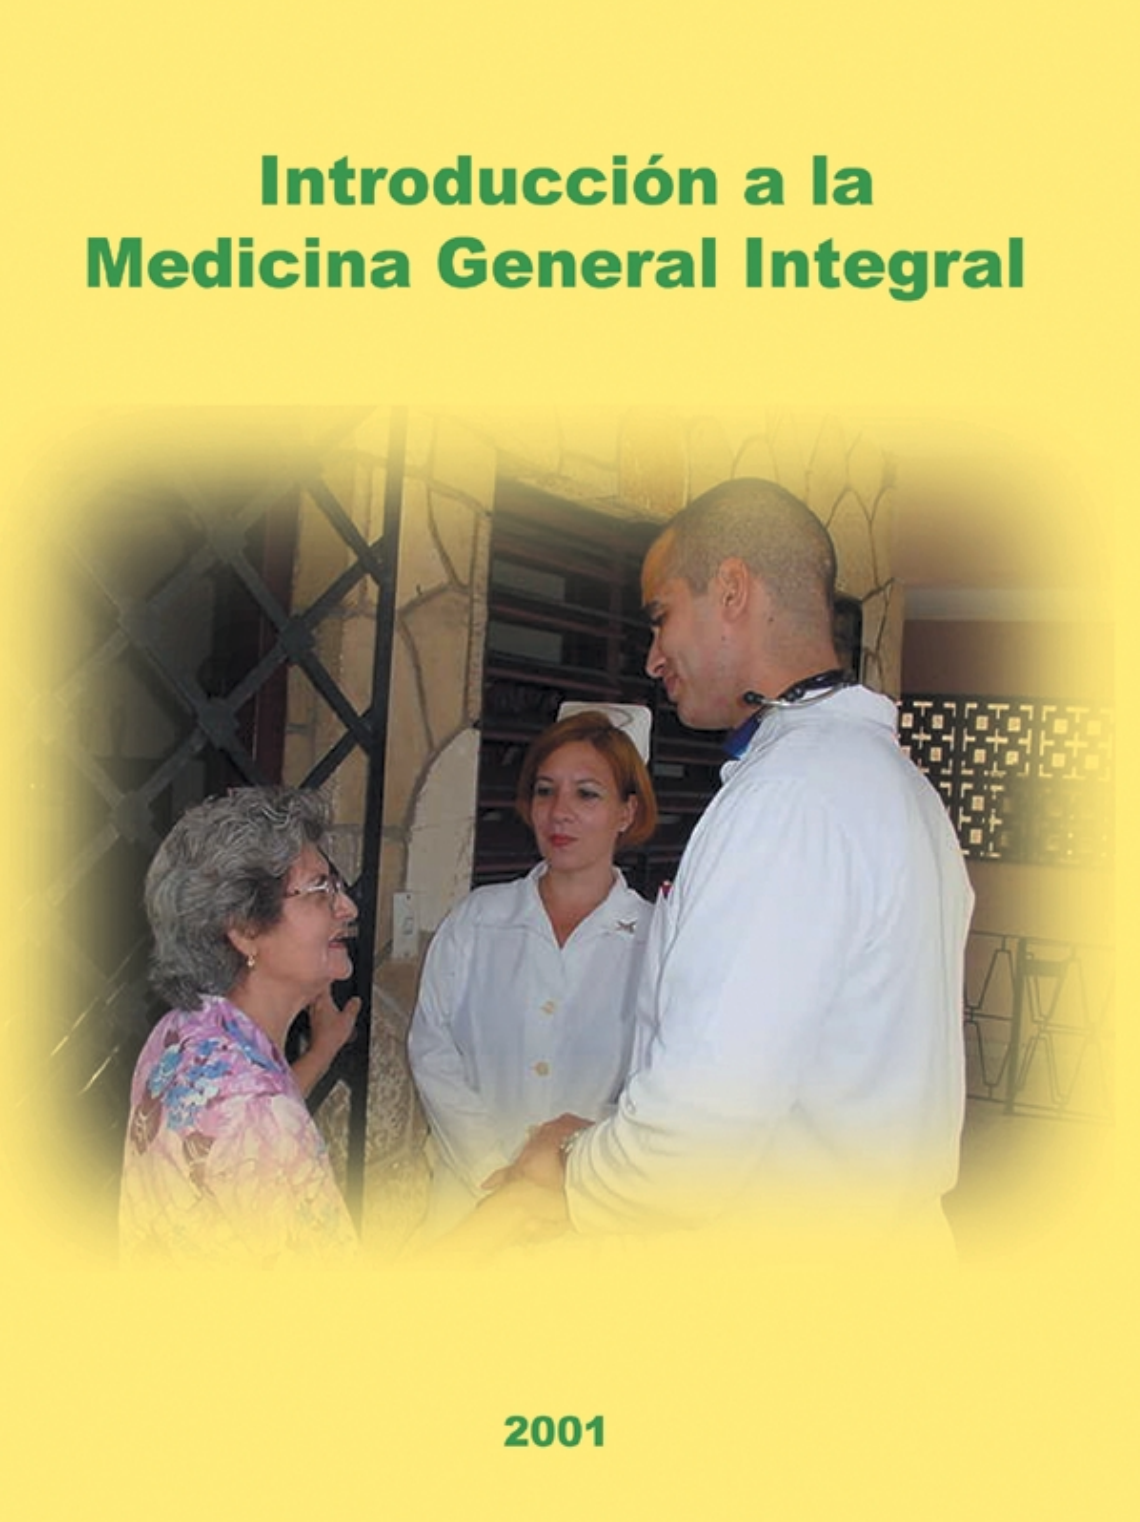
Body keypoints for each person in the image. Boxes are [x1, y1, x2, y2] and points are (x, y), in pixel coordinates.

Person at [497, 479, 975, 1251]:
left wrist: (568, 1168)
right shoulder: (886, 781)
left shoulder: (792, 797)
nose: (652, 657)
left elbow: (694, 1145)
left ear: (730, 590)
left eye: (661, 616)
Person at [408, 708, 658, 1238]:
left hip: (586, 1215)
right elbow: (432, 1048)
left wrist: (566, 1174)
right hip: (469, 1206)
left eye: (586, 794)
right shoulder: (478, 919)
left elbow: (657, 1086)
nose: (559, 812)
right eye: (546, 791)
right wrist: (494, 1174)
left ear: (627, 811)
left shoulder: (656, 940)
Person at [119, 786, 361, 1266]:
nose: (348, 907)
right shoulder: (255, 1108)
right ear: (246, 929)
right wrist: (508, 1205)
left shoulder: (184, 1032)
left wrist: (320, 1052)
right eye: (320, 889)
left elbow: (235, 1130)